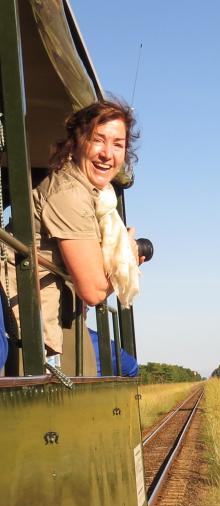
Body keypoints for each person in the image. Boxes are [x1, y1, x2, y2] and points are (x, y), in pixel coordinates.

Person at [2, 100, 143, 366]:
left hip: (52, 310)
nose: (107, 153)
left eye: (118, 144)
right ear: (76, 142)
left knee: (128, 366)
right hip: (27, 318)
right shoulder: (70, 194)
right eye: (97, 140)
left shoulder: (98, 196)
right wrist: (128, 259)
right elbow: (93, 291)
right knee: (127, 367)